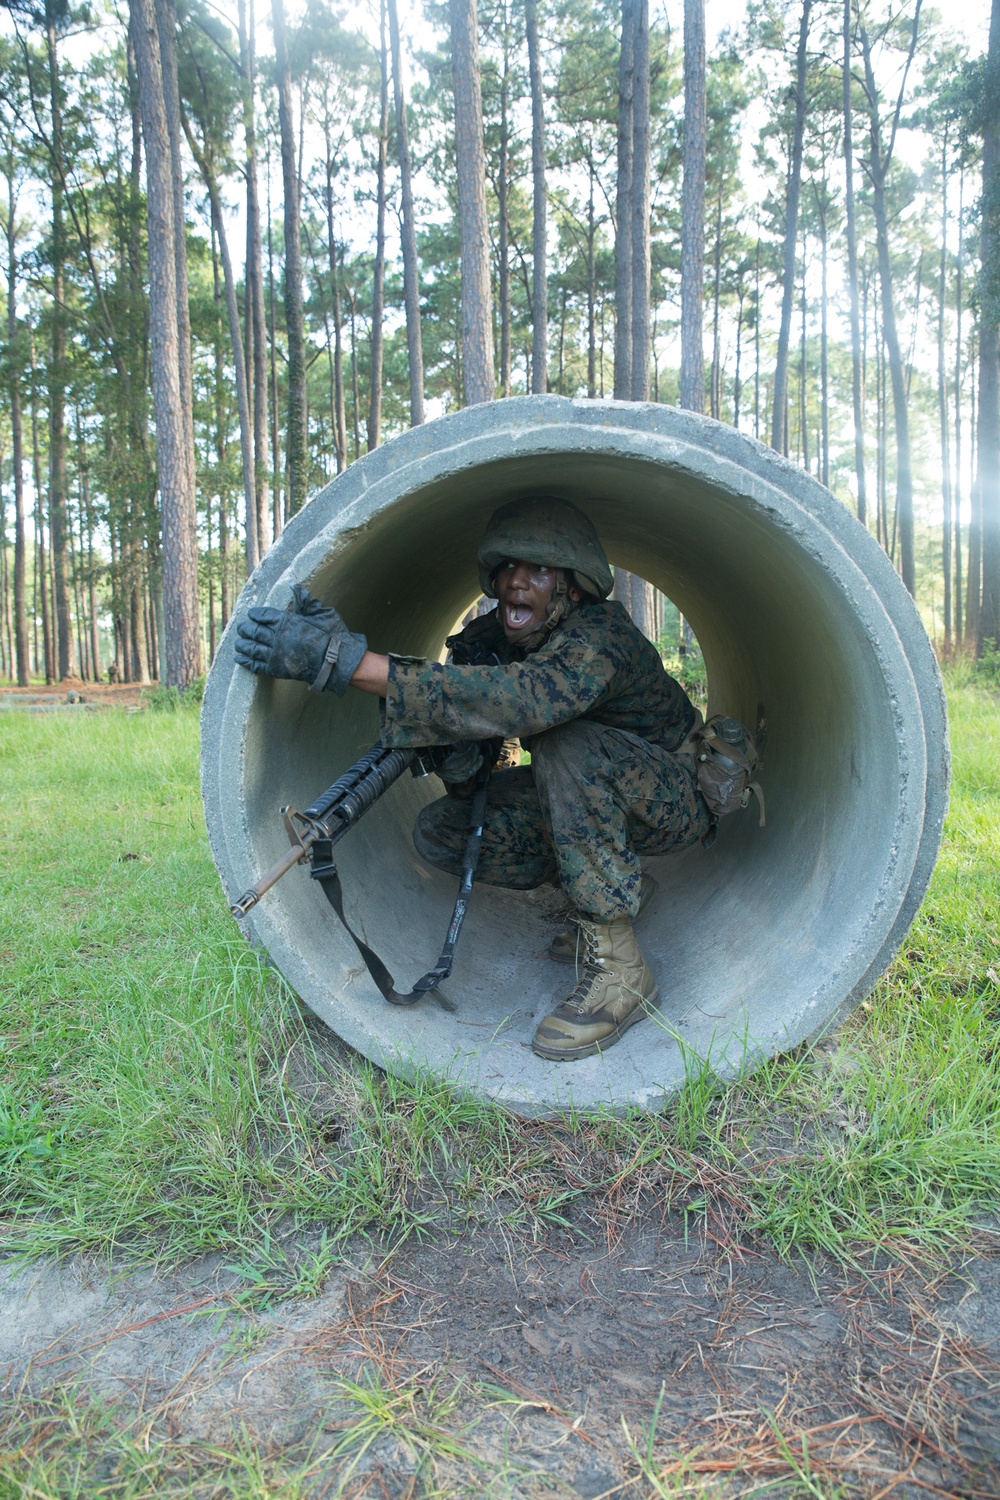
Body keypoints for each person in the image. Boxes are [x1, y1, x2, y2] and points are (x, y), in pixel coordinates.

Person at [235, 497, 710, 1062]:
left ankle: (623, 973)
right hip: (602, 798)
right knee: (445, 831)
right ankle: (618, 887)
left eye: (538, 571)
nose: (515, 583)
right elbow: (471, 720)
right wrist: (457, 754)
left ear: (574, 586)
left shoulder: (600, 637)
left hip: (675, 796)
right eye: (507, 567)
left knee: (567, 744)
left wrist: (348, 661)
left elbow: (523, 701)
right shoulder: (496, 636)